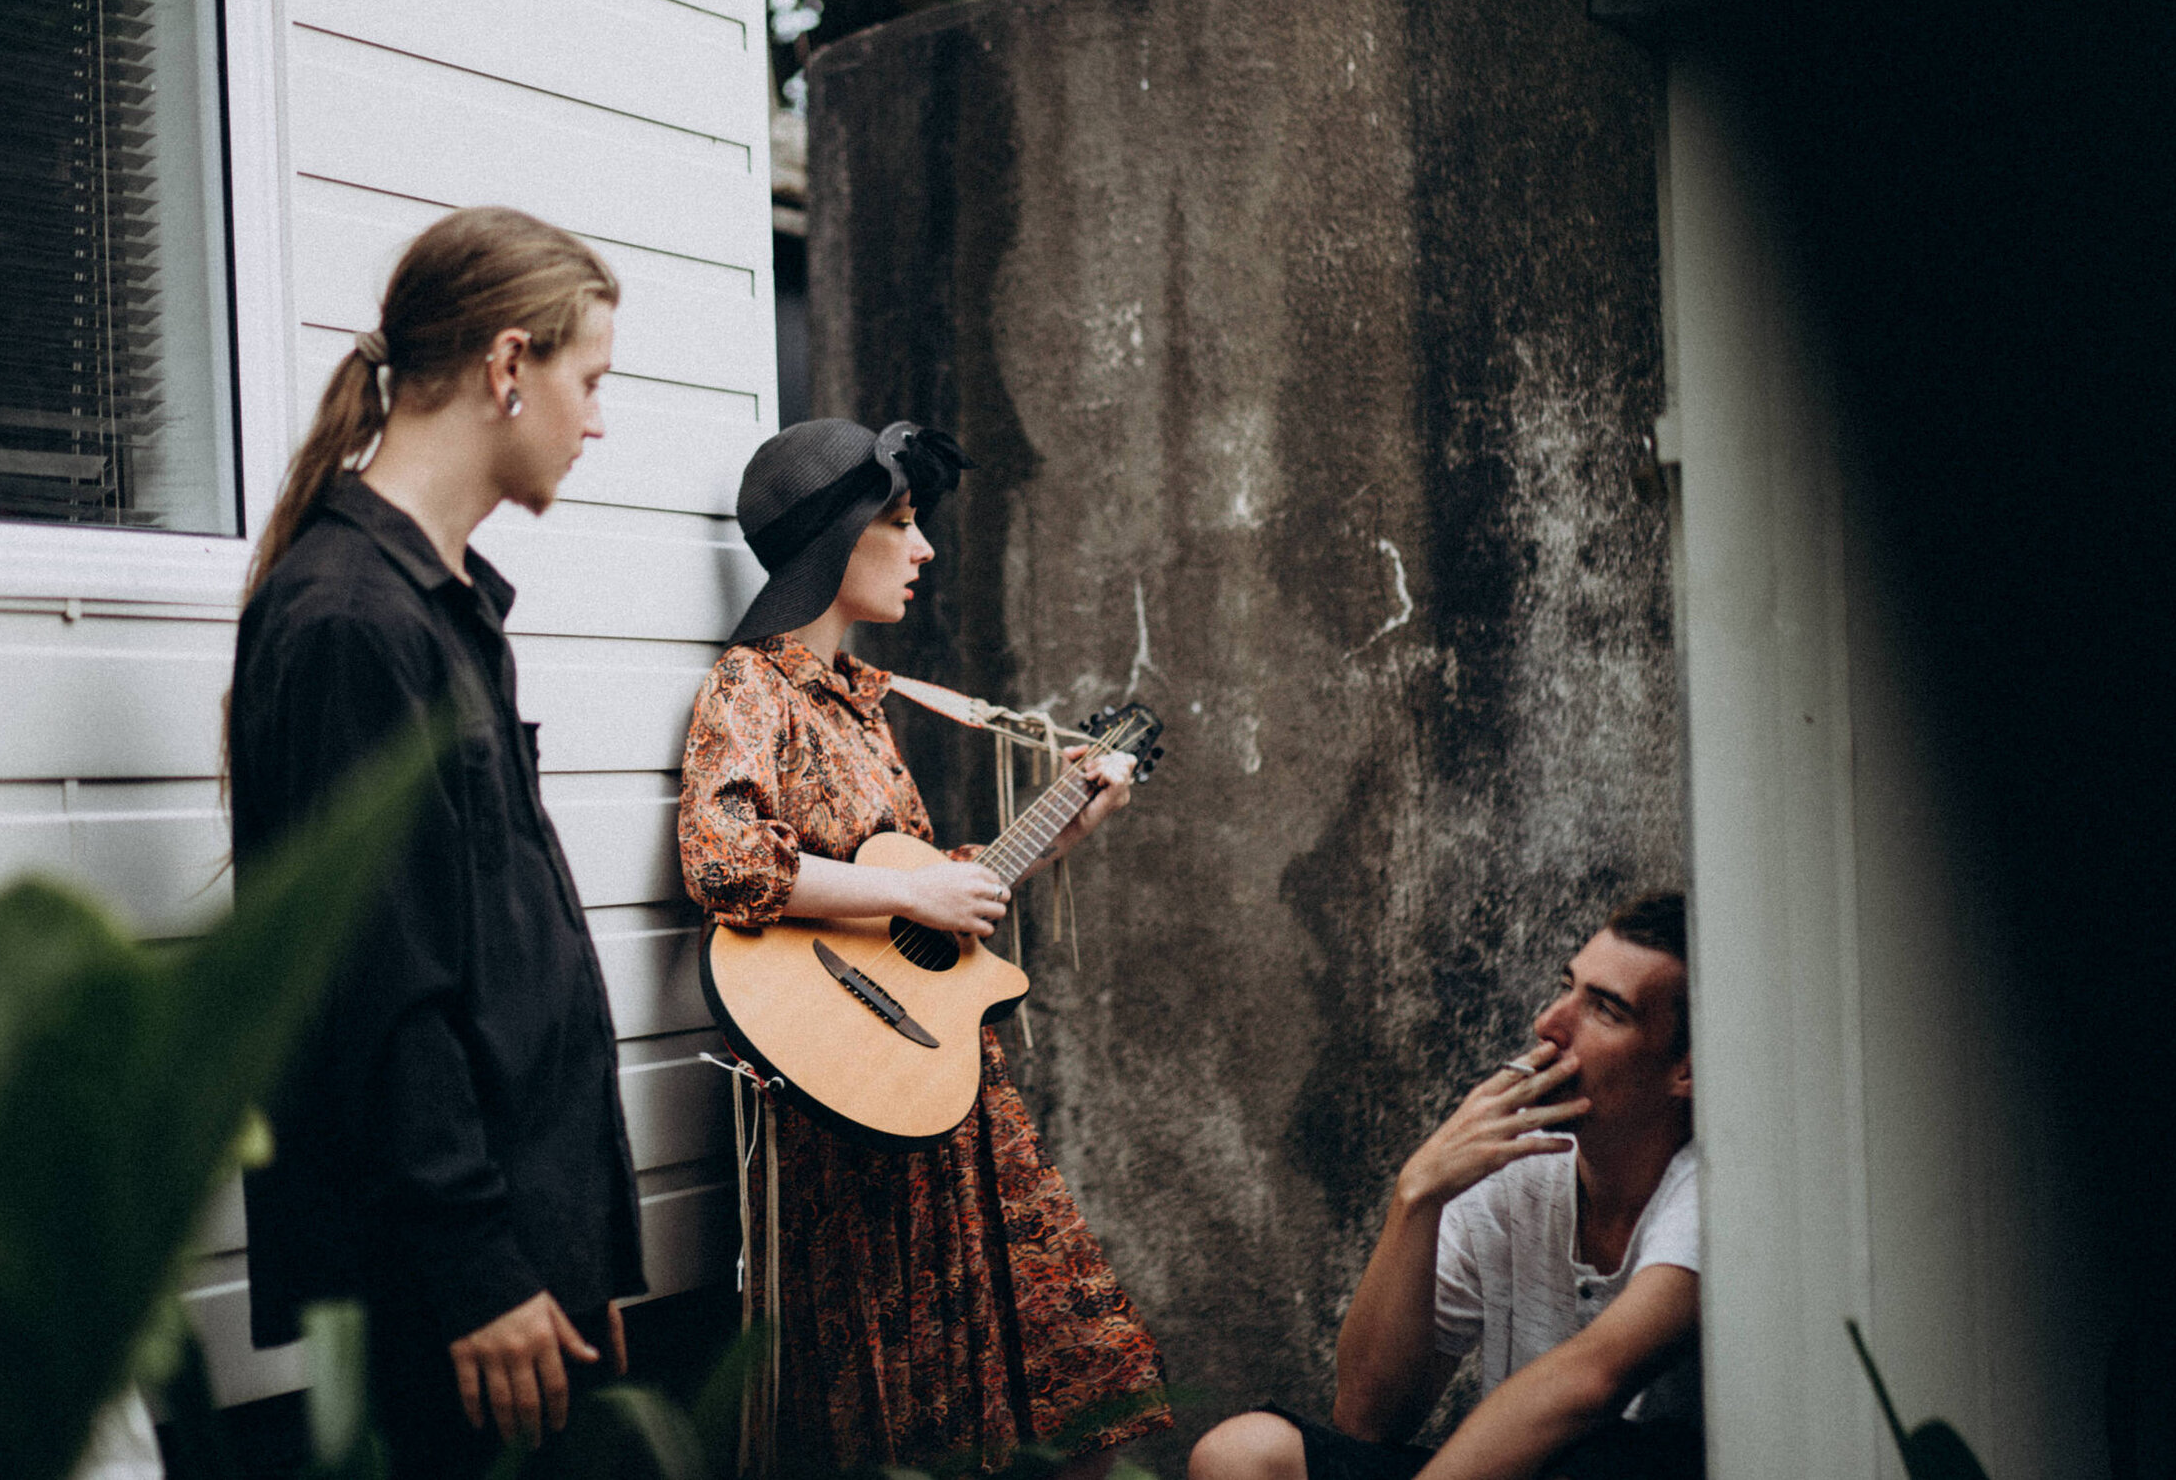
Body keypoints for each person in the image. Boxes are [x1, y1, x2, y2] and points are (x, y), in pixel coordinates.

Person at [677, 417, 1175, 1476]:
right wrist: (919, 888)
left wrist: (1065, 823)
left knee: (1051, 1385)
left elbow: (915, 900)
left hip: (940, 1083)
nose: (925, 548)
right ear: (835, 539)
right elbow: (724, 858)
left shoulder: (861, 705)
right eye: (900, 523)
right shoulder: (749, 687)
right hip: (848, 1104)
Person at [229, 207, 642, 1478]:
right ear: (507, 365)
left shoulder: (439, 607)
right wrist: (477, 1263)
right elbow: (376, 980)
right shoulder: (351, 621)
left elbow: (503, 942)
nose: (597, 420)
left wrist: (586, 1252)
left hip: (526, 1255)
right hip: (452, 1288)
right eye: (590, 381)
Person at [1192, 892, 1702, 1480]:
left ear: (1686, 1066)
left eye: (1606, 1010)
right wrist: (1417, 1196)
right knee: (1242, 1455)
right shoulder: (1519, 1164)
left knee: (1609, 1457)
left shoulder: (1708, 1190)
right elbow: (1368, 1418)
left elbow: (1589, 1381)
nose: (1550, 1024)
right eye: (1567, 987)